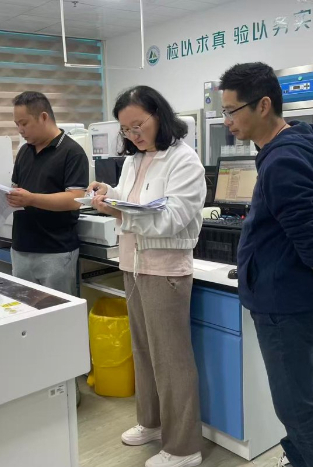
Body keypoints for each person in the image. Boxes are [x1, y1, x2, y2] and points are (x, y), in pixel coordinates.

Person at [219, 62, 313, 467]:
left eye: (231, 111)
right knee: (296, 399)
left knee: (299, 409)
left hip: (285, 304)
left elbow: (310, 237)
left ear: (263, 105)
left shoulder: (282, 160)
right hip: (296, 296)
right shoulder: (303, 144)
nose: (227, 121)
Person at [88, 86, 206, 467]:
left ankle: (184, 448)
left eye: (138, 125)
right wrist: (109, 193)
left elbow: (172, 219)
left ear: (160, 115)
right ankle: (152, 423)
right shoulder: (135, 160)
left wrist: (119, 212)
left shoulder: (184, 161)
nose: (133, 135)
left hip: (165, 269)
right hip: (133, 264)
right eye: (126, 130)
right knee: (143, 351)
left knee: (172, 359)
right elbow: (131, 197)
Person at [8, 91, 89, 296]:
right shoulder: (24, 151)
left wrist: (31, 199)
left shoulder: (72, 152)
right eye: (17, 124)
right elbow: (16, 187)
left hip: (55, 250)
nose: (20, 130)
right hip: (21, 246)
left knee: (58, 309)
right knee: (24, 309)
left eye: (24, 123)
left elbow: (75, 199)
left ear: (43, 117)